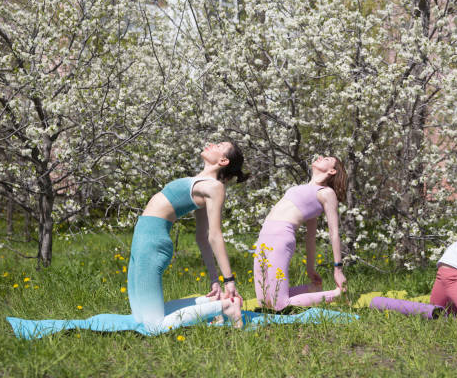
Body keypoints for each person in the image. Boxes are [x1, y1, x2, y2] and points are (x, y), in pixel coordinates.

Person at [128, 141, 247, 332]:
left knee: (152, 327)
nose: (211, 144)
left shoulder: (215, 187)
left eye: (219, 145)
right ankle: (211, 302)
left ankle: (226, 307)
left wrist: (229, 280)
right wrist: (214, 280)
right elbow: (200, 237)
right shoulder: (199, 182)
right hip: (141, 240)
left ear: (223, 160)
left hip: (152, 244)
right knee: (139, 316)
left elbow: (214, 236)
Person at [253, 155, 348, 311]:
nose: (320, 157)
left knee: (279, 305)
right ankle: (314, 289)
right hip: (264, 238)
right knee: (265, 303)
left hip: (281, 238)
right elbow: (310, 237)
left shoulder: (326, 192)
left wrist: (338, 269)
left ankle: (338, 294)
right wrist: (310, 269)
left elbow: (334, 233)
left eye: (326, 159)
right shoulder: (302, 188)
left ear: (332, 171)